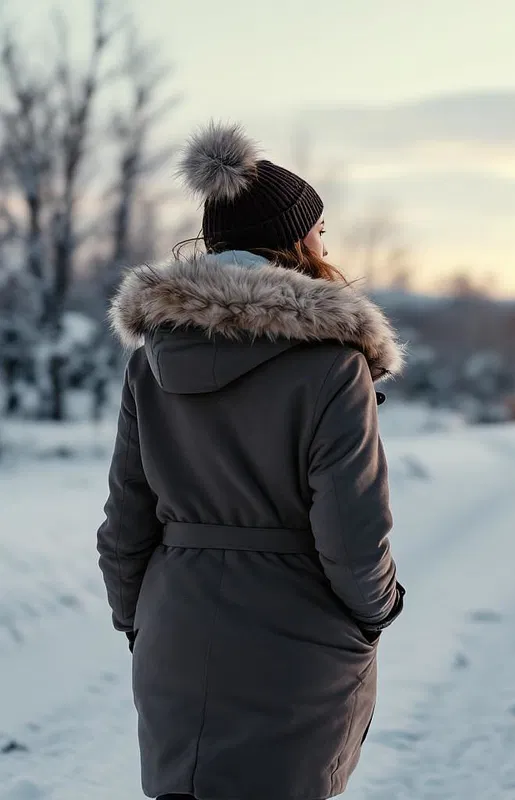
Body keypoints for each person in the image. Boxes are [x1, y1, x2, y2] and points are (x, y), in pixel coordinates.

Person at [97, 121, 406, 800]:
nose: (328, 245)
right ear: (295, 243)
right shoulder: (332, 366)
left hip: (174, 638)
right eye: (320, 231)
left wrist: (142, 622)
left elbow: (125, 528)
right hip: (294, 646)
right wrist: (375, 613)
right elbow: (353, 535)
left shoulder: (149, 361)